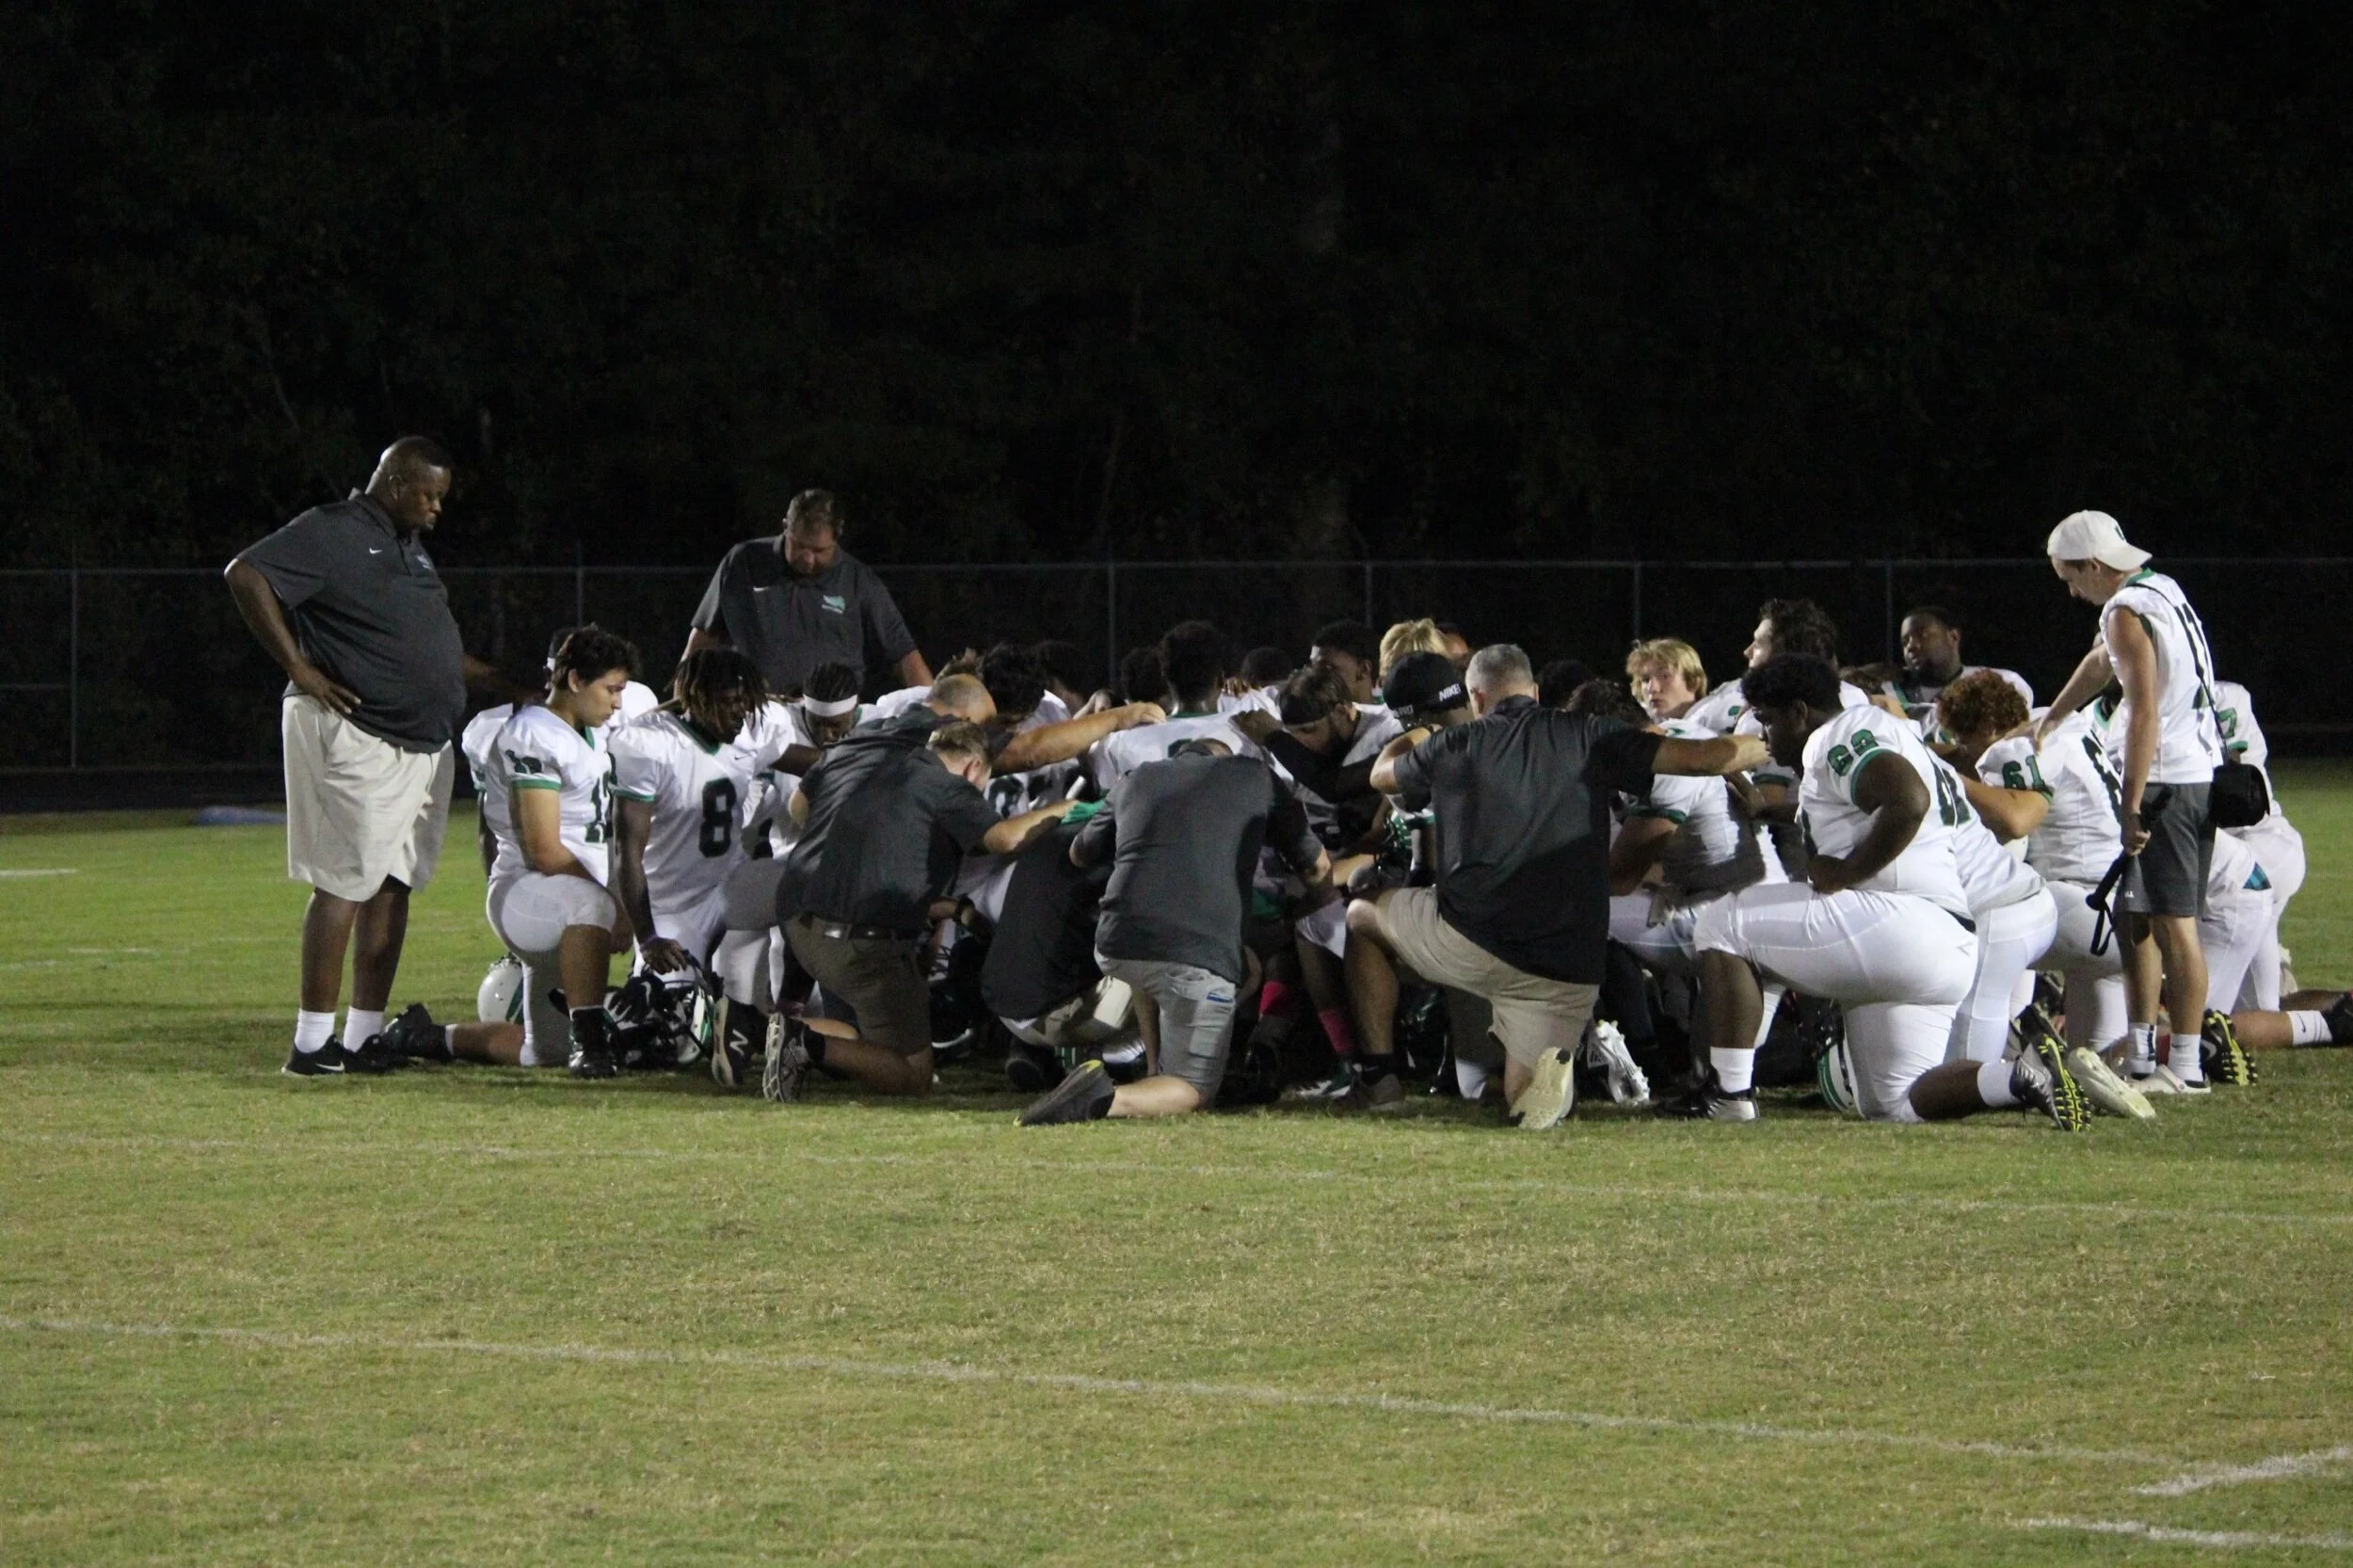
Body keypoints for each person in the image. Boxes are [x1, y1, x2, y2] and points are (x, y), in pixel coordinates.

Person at [1343, 644, 1768, 1128]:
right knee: (1527, 1102)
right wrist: (1762, 743)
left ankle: (1379, 1078)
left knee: (1361, 913)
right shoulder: (1589, 734)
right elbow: (1708, 758)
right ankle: (1547, 1081)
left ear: (1476, 698)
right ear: (1536, 691)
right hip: (1565, 967)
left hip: (1471, 939)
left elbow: (1382, 775)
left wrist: (1422, 731)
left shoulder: (1453, 743)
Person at [225, 436, 534, 1076]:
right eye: (430, 495)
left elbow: (430, 650)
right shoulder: (334, 530)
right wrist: (299, 668)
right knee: (344, 882)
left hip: (420, 742)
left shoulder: (408, 548)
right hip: (358, 732)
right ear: (396, 484)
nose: (436, 509)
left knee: (394, 886)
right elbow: (246, 574)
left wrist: (506, 684)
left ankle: (364, 1034)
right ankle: (312, 1044)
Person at [1674, 654, 2079, 1128]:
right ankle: (2016, 1077)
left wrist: (1845, 873)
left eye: (1767, 720)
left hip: (1898, 921)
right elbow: (1864, 807)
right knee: (1892, 1103)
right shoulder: (1872, 737)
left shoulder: (1837, 736)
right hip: (1945, 940)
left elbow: (1908, 801)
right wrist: (1777, 813)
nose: (1763, 736)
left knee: (1722, 923)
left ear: (1801, 713)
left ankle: (1729, 1094)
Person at [1018, 740, 1330, 1124]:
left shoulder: (1136, 778)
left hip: (1119, 941)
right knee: (1194, 1092)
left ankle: (1154, 1069)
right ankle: (1104, 1097)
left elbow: (1079, 853)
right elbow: (1317, 869)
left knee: (1230, 968)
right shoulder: (1255, 776)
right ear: (1223, 758)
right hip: (1192, 953)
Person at [763, 721, 1077, 1101]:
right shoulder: (945, 785)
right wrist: (1069, 807)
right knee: (913, 1077)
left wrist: (957, 910)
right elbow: (1005, 838)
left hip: (804, 928)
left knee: (864, 1038)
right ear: (973, 768)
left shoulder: (881, 767)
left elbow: (811, 816)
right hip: (862, 948)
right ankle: (805, 1045)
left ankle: (759, 1027)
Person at [2033, 510, 2226, 1091]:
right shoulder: (2156, 588)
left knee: (2174, 925)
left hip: (2166, 781)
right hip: (2188, 772)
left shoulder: (2124, 612)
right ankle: (2143, 1058)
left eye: (2070, 577)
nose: (2070, 590)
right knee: (2135, 917)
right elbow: (2101, 664)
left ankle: (2186, 1067)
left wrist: (2132, 803)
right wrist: (2054, 717)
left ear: (2094, 566)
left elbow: (2143, 710)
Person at [1938, 671, 2150, 1118]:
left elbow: (2015, 821)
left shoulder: (2011, 747)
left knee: (1989, 923)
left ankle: (1974, 1076)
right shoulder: (2070, 726)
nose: (1967, 752)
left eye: (1965, 738)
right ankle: (2087, 1075)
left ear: (1988, 729)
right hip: (2126, 911)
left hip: (2085, 907)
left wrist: (1950, 778)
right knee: (2087, 1063)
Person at [460, 626, 643, 1076]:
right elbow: (544, 852)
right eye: (611, 690)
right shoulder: (532, 735)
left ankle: (429, 1037)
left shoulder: (590, 729)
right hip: (529, 892)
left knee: (542, 1053)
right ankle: (592, 1042)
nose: (618, 702)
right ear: (576, 681)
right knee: (590, 904)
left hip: (569, 902)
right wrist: (616, 902)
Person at [682, 488, 933, 696]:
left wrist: (935, 717)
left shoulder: (860, 582)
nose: (807, 558)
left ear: (838, 537)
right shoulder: (744, 561)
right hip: (753, 714)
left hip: (831, 723)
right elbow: (704, 636)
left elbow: (904, 654)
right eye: (799, 545)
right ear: (785, 527)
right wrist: (681, 700)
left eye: (819, 550)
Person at [1088, 621, 1258, 790]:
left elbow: (1108, 809)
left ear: (1165, 677)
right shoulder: (1251, 733)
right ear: (1221, 679)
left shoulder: (1119, 742)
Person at [1881, 605, 2032, 729]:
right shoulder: (1886, 693)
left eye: (1922, 635)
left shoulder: (2002, 683)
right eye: (1905, 641)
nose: (1911, 646)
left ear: (1953, 637)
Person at [1624, 637, 1708, 723]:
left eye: (1665, 676)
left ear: (1694, 681)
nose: (1652, 689)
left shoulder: (1718, 723)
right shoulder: (1634, 725)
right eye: (1646, 680)